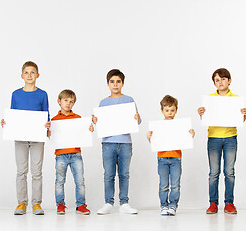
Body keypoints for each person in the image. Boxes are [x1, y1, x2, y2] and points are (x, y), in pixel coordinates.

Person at [197, 68, 246, 214]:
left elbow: (239, 121)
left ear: (229, 81)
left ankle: (229, 203)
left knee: (229, 172)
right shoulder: (210, 99)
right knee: (214, 172)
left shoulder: (236, 99)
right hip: (213, 138)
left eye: (223, 79)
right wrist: (202, 114)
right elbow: (208, 119)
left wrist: (245, 115)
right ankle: (213, 203)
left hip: (230, 138)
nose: (220, 82)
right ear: (214, 83)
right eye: (217, 80)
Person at [1, 61, 50, 215]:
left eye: (32, 72)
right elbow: (13, 115)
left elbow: (46, 114)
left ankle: (36, 204)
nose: (29, 75)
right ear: (22, 76)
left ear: (38, 75)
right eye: (27, 72)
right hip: (20, 137)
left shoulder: (43, 94)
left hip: (37, 138)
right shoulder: (16, 94)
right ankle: (21, 203)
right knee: (21, 171)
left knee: (37, 172)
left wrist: (48, 126)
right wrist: (6, 123)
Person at [92, 69, 141, 215]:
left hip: (125, 143)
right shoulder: (103, 102)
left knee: (124, 174)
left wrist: (137, 118)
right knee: (108, 174)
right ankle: (108, 202)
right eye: (112, 82)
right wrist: (95, 121)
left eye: (118, 81)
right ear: (108, 84)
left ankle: (124, 203)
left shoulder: (129, 100)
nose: (115, 84)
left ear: (123, 83)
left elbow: (138, 121)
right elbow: (100, 123)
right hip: (108, 143)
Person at [147, 95, 195, 216]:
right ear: (162, 111)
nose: (169, 113)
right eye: (167, 110)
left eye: (172, 110)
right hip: (162, 158)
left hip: (176, 159)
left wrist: (191, 135)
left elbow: (185, 139)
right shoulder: (158, 127)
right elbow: (155, 143)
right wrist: (149, 137)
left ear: (176, 110)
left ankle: (173, 205)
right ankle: (164, 205)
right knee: (163, 185)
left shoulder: (180, 126)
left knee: (175, 184)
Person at [50, 89, 93, 215]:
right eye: (66, 100)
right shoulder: (54, 120)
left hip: (76, 154)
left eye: (71, 101)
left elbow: (83, 133)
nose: (68, 103)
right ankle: (60, 205)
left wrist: (89, 129)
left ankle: (81, 205)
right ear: (59, 101)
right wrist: (48, 132)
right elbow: (50, 136)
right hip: (60, 155)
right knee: (59, 180)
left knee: (80, 180)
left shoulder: (78, 118)